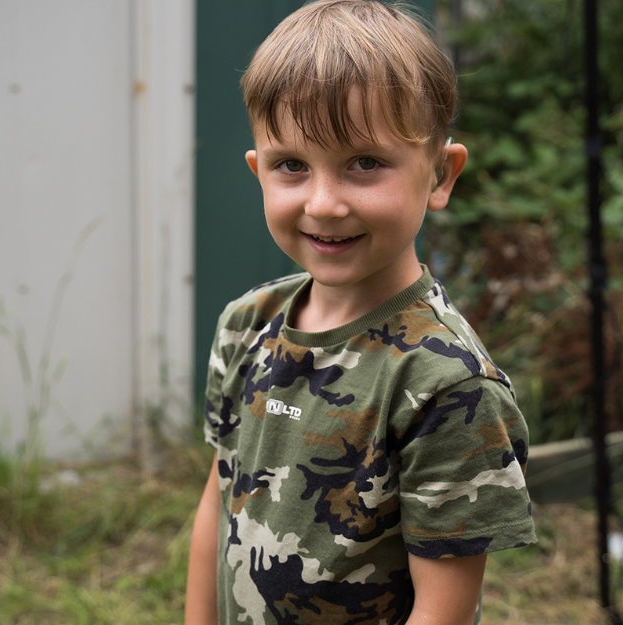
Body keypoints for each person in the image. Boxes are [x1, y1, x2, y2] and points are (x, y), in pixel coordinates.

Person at [186, 2, 537, 623]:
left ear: (439, 174)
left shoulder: (445, 385)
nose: (324, 203)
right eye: (291, 165)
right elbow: (218, 500)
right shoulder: (246, 323)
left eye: (365, 163)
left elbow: (443, 610)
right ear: (258, 172)